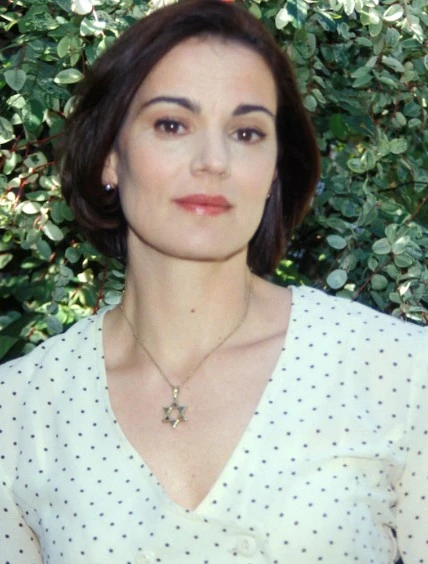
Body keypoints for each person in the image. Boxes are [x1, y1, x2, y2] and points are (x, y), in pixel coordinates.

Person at [0, 0, 426, 562]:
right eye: (172, 124)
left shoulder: (400, 371)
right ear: (109, 157)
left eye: (247, 133)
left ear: (273, 169)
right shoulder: (20, 410)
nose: (213, 160)